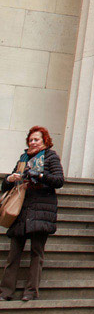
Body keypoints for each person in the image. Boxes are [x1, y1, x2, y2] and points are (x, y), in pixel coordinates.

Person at [0, 126, 64, 302]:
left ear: (45, 141)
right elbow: (5, 187)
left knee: (37, 253)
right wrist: (9, 179)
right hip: (21, 210)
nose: (33, 142)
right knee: (13, 254)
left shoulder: (51, 157)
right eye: (31, 140)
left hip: (41, 209)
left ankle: (31, 291)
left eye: (36, 139)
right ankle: (5, 291)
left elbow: (59, 180)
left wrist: (40, 175)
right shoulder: (23, 158)